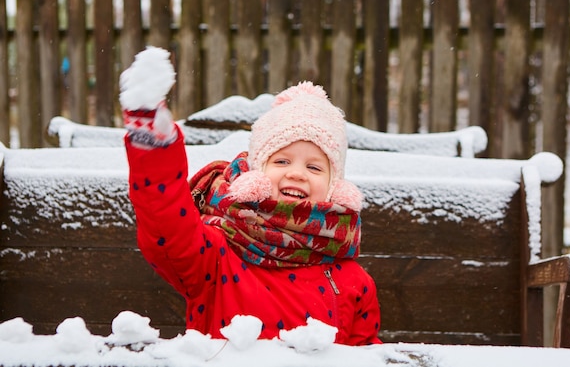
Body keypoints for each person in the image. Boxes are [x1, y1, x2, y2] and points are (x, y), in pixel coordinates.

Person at [121, 46, 382, 346]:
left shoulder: (351, 280)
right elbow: (167, 227)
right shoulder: (217, 254)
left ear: (335, 186)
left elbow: (365, 354)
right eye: (281, 161)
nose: (297, 173)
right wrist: (154, 143)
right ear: (256, 173)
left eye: (314, 166)